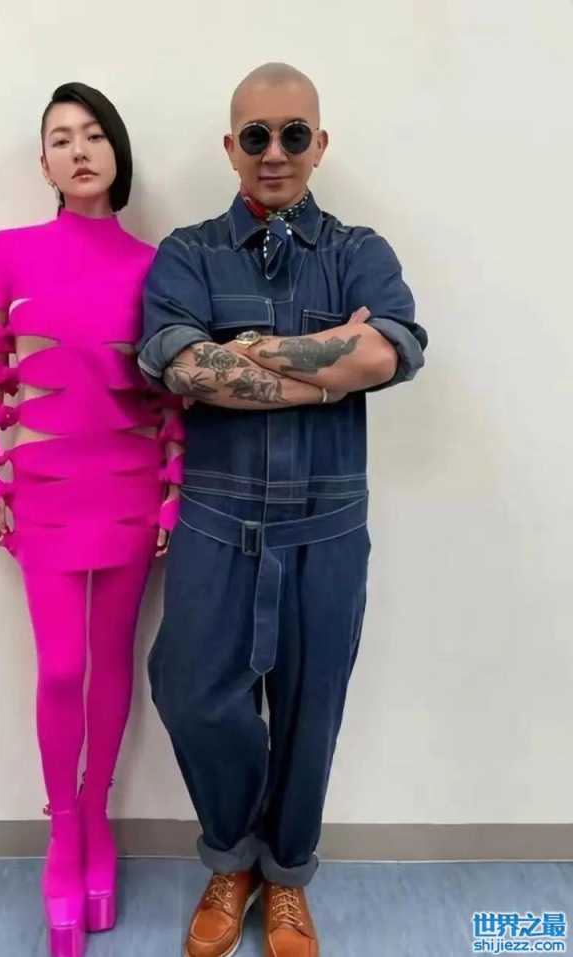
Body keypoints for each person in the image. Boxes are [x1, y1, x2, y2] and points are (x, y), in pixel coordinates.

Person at [138, 63, 427, 957]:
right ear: (230, 146)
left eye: (293, 134)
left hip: (326, 528)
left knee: (312, 709)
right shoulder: (189, 253)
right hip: (215, 525)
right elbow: (183, 367)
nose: (274, 152)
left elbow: (388, 354)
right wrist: (327, 364)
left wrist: (248, 355)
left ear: (319, 144)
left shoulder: (360, 250)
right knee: (191, 691)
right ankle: (233, 855)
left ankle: (287, 871)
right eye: (256, 136)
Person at [0, 82, 184, 957]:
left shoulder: (158, 265)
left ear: (117, 152)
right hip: (44, 491)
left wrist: (172, 490)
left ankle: (97, 819)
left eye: (94, 134)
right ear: (44, 162)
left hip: (129, 491)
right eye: (61, 138)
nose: (80, 149)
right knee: (62, 666)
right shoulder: (10, 251)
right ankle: (63, 833)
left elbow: (171, 395)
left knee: (110, 664)